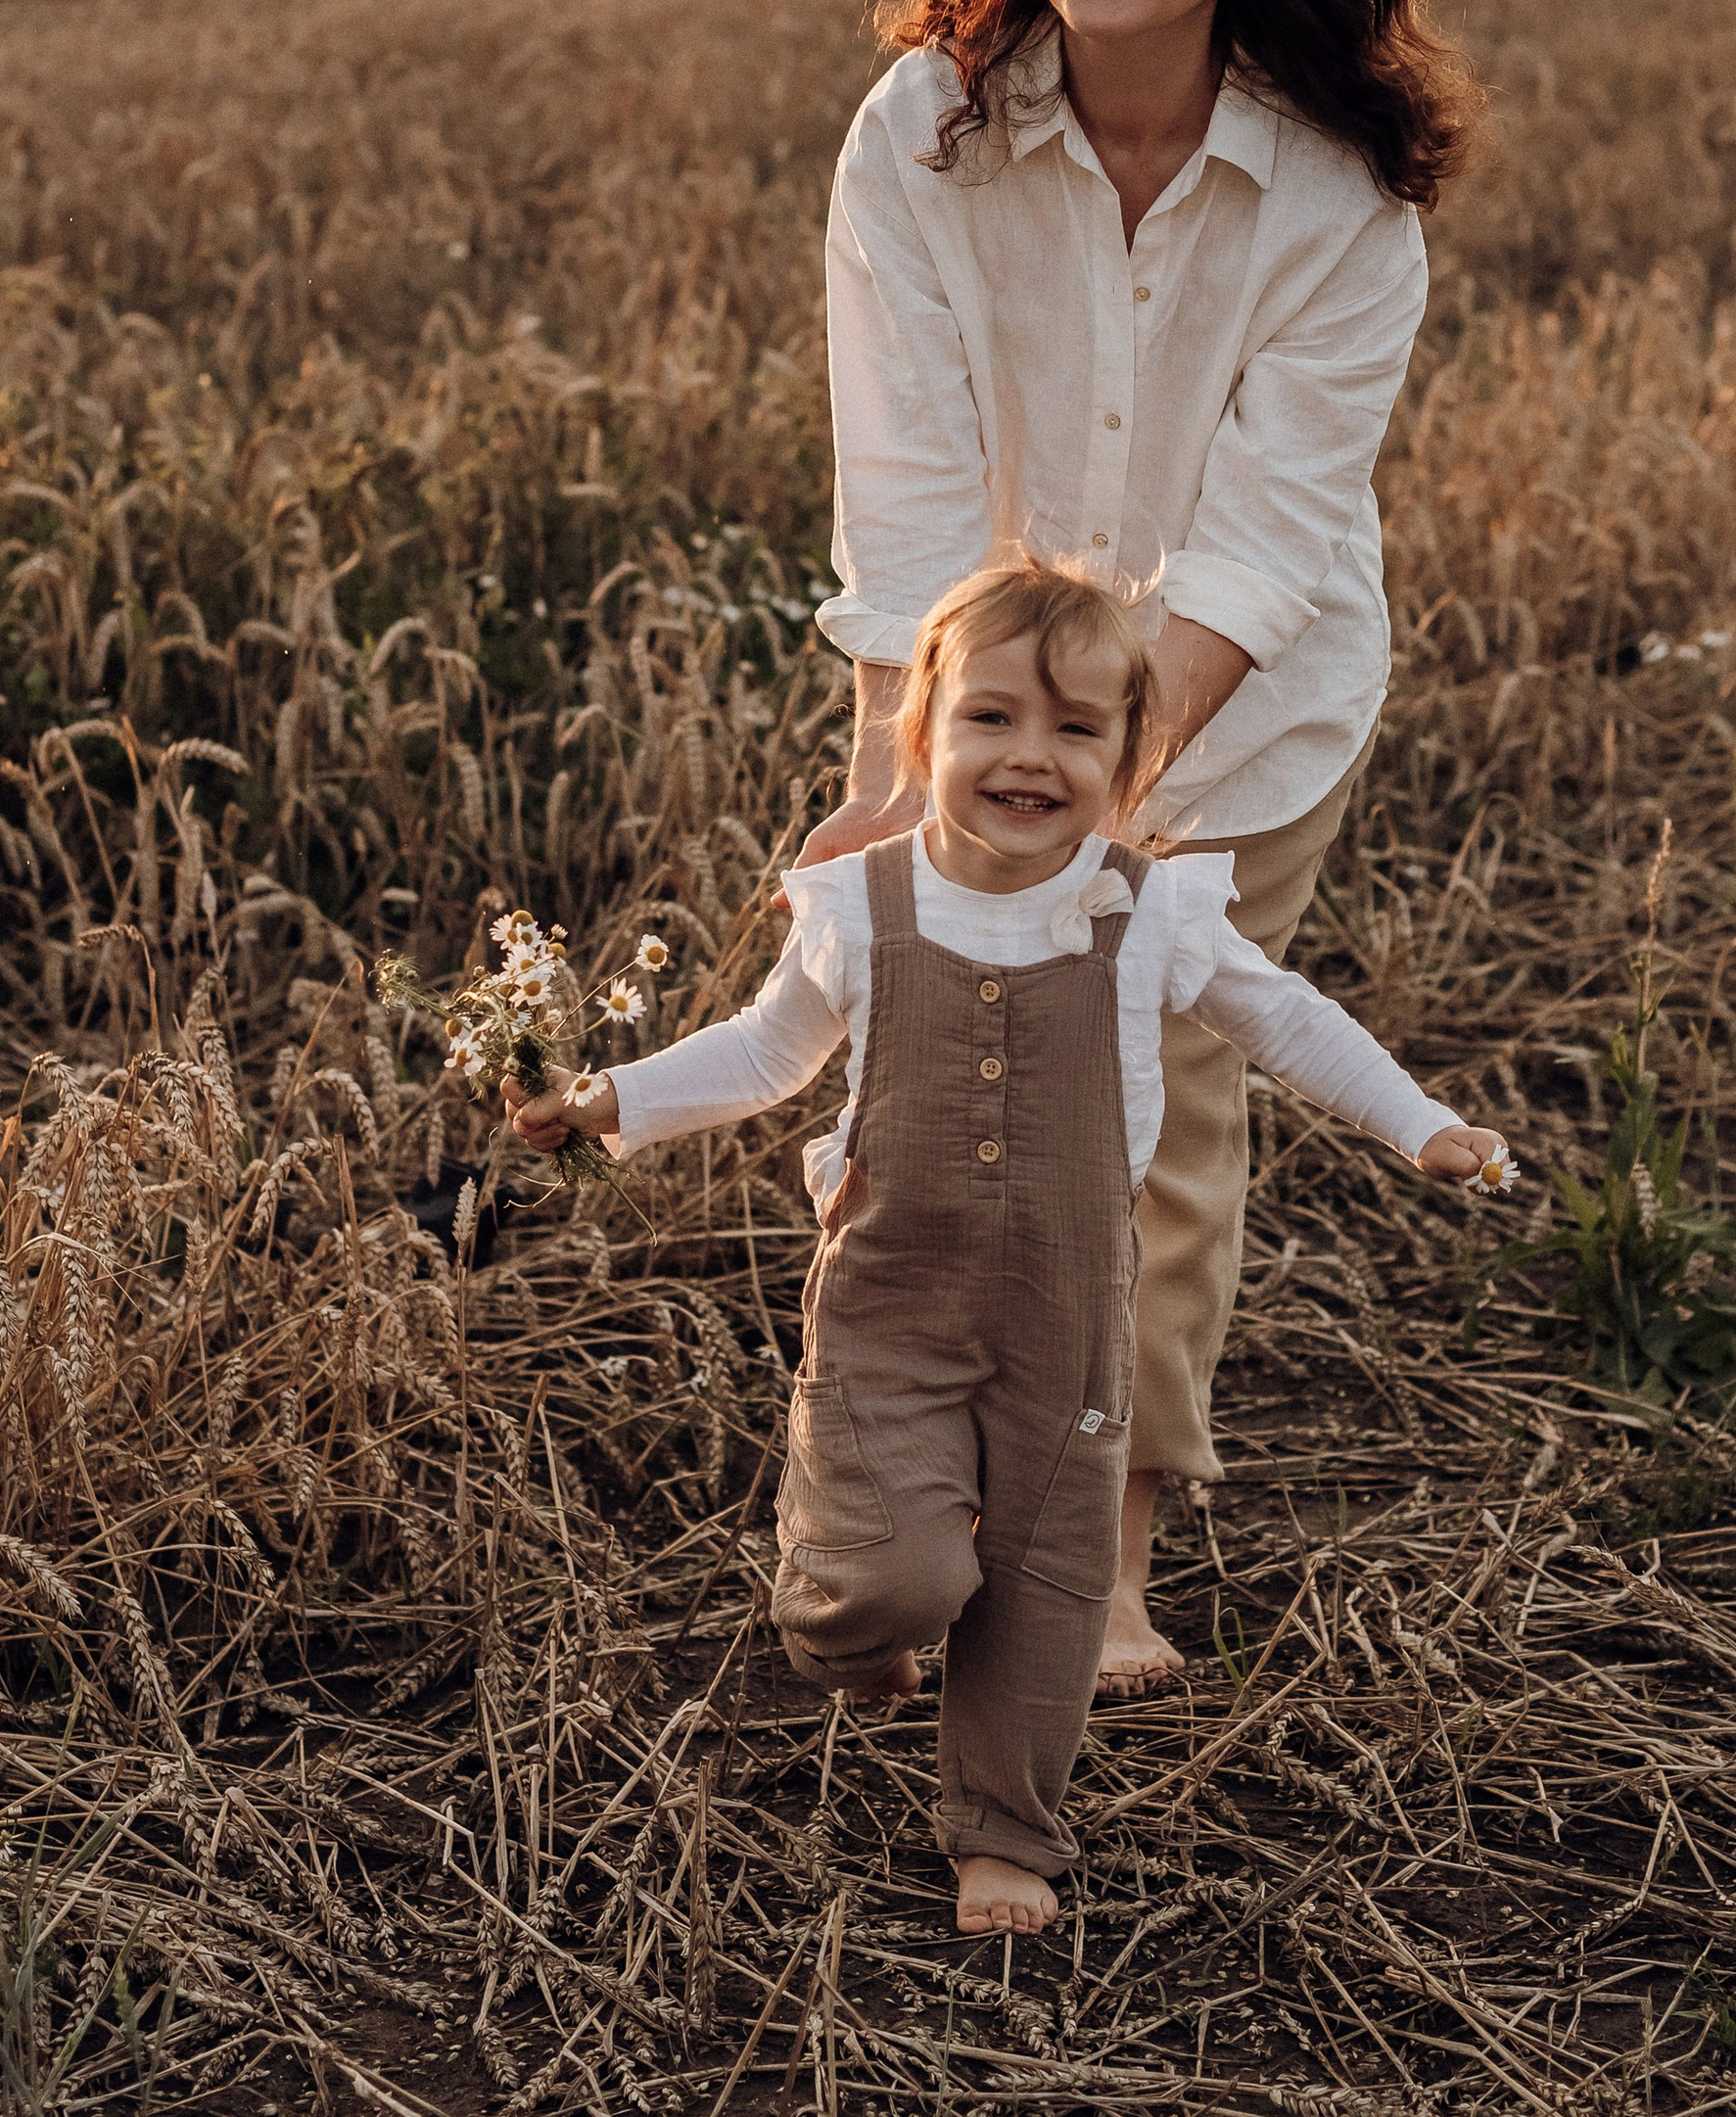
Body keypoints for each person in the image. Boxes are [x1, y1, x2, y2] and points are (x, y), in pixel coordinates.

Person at [508, 557, 1515, 1940]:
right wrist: (614, 1097)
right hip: (886, 1305)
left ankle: (1004, 1832)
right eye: (992, 718)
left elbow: (1286, 1021)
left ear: (1130, 752)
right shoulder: (858, 906)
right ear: (922, 732)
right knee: (895, 1578)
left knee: (1046, 1588)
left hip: (1068, 1319)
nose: (1029, 756)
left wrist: (1421, 1121)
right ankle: (852, 1624)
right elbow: (763, 1052)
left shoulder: (1150, 909)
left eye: (1077, 728)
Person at [793, 0, 1477, 1693]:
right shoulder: (917, 136)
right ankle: (891, 1509)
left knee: (1142, 1115)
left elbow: (1266, 537)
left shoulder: (1344, 188)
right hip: (962, 694)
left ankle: (1096, 1558)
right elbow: (908, 500)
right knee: (927, 1104)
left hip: (1236, 719)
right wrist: (931, 782)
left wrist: (1101, 785)